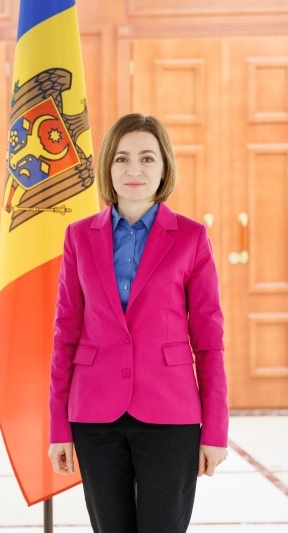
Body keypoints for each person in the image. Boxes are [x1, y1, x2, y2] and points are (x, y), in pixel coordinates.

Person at [47, 113, 228, 533]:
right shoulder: (78, 236)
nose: (134, 170)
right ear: (107, 167)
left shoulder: (191, 237)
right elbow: (65, 334)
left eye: (147, 158)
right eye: (122, 158)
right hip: (94, 415)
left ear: (164, 167)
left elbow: (209, 342)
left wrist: (215, 430)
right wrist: (58, 426)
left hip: (171, 413)